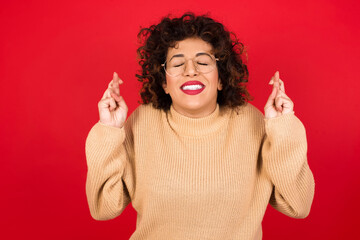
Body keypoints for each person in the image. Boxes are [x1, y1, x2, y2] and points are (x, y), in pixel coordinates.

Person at [85, 12, 315, 240]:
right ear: (165, 83)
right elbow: (103, 207)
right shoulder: (141, 122)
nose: (191, 70)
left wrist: (282, 127)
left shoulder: (253, 122)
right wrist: (109, 130)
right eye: (177, 63)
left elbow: (298, 205)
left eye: (203, 62)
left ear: (221, 78)